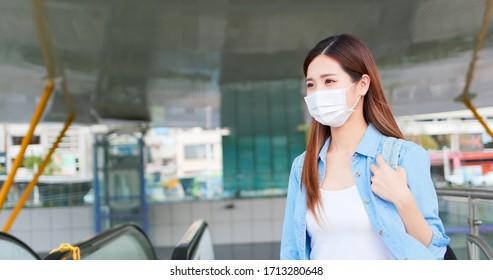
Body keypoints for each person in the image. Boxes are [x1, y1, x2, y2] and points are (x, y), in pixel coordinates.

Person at [280, 34, 450, 260]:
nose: (318, 92)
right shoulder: (302, 167)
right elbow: (291, 252)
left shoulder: (403, 157)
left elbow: (435, 250)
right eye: (311, 84)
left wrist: (403, 199)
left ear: (362, 85)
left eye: (329, 81)